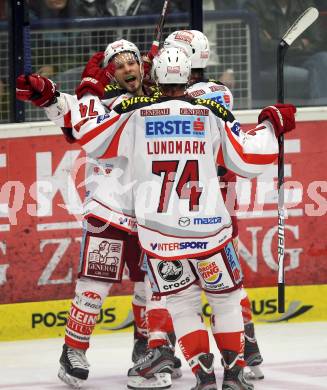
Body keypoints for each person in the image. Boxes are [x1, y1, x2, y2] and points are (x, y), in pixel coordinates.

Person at [68, 46, 296, 389]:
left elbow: (89, 139)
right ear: (189, 78)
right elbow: (250, 158)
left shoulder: (133, 112)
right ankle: (233, 374)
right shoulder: (210, 111)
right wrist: (270, 123)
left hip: (159, 237)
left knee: (181, 303)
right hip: (209, 233)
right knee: (226, 299)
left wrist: (88, 90)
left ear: (155, 77)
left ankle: (204, 378)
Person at [16, 39, 181, 390]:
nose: (128, 69)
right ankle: (73, 351)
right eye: (119, 65)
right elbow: (69, 112)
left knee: (152, 287)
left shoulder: (161, 97)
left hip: (152, 212)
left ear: (142, 66)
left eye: (132, 62)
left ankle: (148, 349)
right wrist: (46, 93)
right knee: (94, 286)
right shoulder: (100, 103)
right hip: (108, 208)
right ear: (110, 73)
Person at [164, 29, 264, 381]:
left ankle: (239, 350)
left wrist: (150, 79)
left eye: (172, 53)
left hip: (207, 199)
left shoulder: (201, 94)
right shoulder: (210, 90)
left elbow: (166, 107)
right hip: (207, 197)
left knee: (209, 287)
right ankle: (247, 351)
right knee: (221, 284)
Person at [245, 0, 327, 105]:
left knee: (324, 59)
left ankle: (322, 115)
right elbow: (263, 45)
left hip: (303, 59)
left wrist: (279, 42)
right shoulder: (255, 5)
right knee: (290, 73)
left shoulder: (305, 4)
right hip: (274, 62)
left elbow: (318, 41)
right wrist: (300, 44)